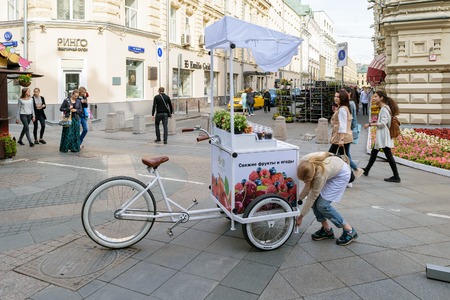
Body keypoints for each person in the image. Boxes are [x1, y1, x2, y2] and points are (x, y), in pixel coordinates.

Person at [295, 152, 358, 246]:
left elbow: (312, 196)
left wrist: (300, 217)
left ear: (312, 174)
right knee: (316, 203)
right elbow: (308, 185)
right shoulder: (305, 163)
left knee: (322, 205)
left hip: (341, 174)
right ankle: (327, 230)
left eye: (306, 179)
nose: (304, 182)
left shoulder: (319, 175)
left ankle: (349, 230)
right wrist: (299, 199)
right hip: (332, 169)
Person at [362, 90, 401, 183]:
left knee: (388, 154)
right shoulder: (385, 107)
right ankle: (366, 170)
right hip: (382, 134)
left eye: (375, 97)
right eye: (373, 96)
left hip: (383, 135)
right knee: (374, 152)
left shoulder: (384, 109)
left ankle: (396, 176)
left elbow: (383, 123)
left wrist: (370, 124)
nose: (373, 98)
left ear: (381, 98)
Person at [328, 89, 364, 183]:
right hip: (345, 136)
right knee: (344, 156)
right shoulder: (343, 108)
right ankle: (351, 175)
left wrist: (341, 139)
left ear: (342, 98)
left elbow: (343, 125)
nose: (335, 98)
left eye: (338, 97)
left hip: (341, 137)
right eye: (335, 96)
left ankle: (351, 175)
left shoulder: (343, 109)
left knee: (331, 156)